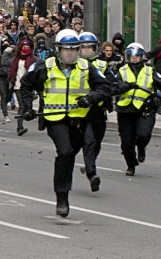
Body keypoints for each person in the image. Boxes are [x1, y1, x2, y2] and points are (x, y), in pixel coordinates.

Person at [20, 29, 112, 217]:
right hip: (55, 119)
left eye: (74, 49)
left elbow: (105, 87)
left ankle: (67, 186)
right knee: (65, 151)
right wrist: (28, 107)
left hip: (80, 120)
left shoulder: (87, 67)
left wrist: (91, 98)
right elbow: (26, 84)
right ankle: (62, 196)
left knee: (71, 154)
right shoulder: (45, 66)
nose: (70, 53)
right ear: (58, 50)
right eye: (65, 49)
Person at [115, 42, 161, 176]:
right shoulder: (122, 70)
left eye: (137, 56)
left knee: (143, 135)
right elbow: (113, 85)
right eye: (132, 56)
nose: (134, 58)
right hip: (125, 110)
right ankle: (131, 165)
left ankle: (141, 147)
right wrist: (124, 86)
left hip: (145, 109)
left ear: (142, 57)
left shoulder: (150, 70)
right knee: (126, 142)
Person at [77, 32, 116, 190]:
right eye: (83, 46)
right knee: (89, 141)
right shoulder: (74, 64)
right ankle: (91, 173)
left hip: (98, 109)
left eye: (90, 47)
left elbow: (112, 83)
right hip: (80, 110)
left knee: (97, 141)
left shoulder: (101, 65)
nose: (86, 50)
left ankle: (89, 165)